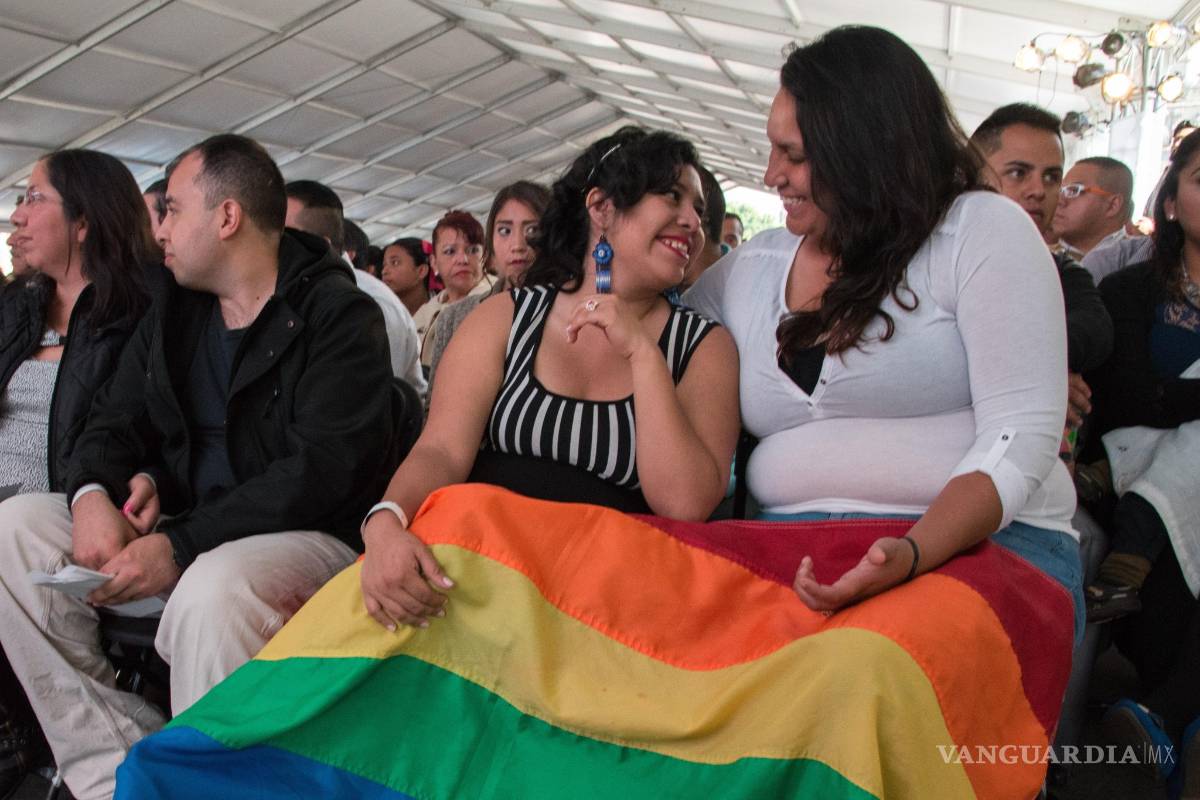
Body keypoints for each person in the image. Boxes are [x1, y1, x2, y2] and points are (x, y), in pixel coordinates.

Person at [0, 134, 401, 800]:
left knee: (212, 591)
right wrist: (95, 495)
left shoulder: (337, 314)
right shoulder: (175, 306)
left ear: (227, 217)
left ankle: (203, 786)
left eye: (174, 210)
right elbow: (110, 419)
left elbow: (321, 472)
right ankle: (116, 771)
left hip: (307, 539)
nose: (158, 228)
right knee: (14, 529)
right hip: (188, 530)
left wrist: (179, 545)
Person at [684, 27, 1083, 639]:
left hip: (978, 551)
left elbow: (1021, 434)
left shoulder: (979, 231)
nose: (771, 175)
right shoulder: (752, 269)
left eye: (793, 155)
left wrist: (914, 552)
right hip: (791, 553)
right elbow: (658, 328)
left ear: (864, 149)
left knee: (863, 678)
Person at [358, 126, 740, 631]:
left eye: (699, 209)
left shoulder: (704, 347)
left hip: (608, 615)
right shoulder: (507, 318)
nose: (693, 221)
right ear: (601, 207)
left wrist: (643, 354)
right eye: (672, 196)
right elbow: (442, 451)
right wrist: (386, 520)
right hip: (477, 590)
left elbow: (686, 505)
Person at [0, 147, 153, 799]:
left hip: (74, 514)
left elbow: (147, 429)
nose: (16, 214)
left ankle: (110, 764)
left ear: (85, 220)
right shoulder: (15, 311)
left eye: (34, 198)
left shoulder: (142, 313)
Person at [1083, 130, 1200, 786]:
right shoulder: (1132, 289)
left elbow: (1163, 400)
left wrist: (1180, 399)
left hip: (1145, 505)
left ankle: (1167, 715)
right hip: (1124, 470)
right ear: (1175, 201)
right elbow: (1130, 399)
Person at [970, 103, 1113, 467]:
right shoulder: (929, 258)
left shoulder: (1063, 271)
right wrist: (1040, 383)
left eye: (1052, 177)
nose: (1039, 190)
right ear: (972, 175)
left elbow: (1095, 332)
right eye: (1018, 173)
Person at [284, 180, 426, 396]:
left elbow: (373, 404)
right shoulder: (299, 294)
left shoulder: (369, 306)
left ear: (320, 244)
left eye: (282, 237)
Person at [425, 180, 551, 395]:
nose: (518, 245)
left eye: (533, 229)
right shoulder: (455, 318)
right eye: (504, 230)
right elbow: (434, 407)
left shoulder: (571, 315)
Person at [411, 210, 496, 367]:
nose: (462, 259)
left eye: (473, 250)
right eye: (450, 251)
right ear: (434, 262)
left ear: (484, 256)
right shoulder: (427, 310)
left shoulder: (496, 300)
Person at [1053, 156, 1134, 261]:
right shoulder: (1042, 256)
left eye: (1074, 190)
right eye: (1060, 190)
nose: (1059, 201)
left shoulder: (1133, 264)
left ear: (1113, 205)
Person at [380, 236, 431, 315]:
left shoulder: (442, 313)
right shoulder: (380, 314)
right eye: (384, 265)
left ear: (421, 271)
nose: (384, 271)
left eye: (395, 263)